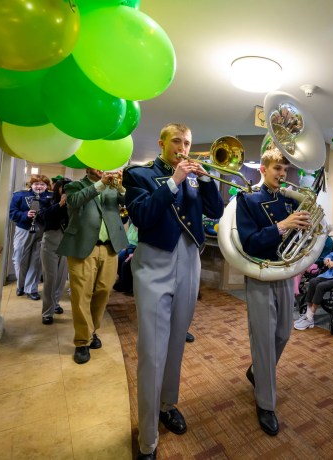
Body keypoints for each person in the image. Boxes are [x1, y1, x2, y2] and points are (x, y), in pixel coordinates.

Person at [123, 123, 224, 460]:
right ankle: (147, 438)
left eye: (188, 142)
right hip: (155, 262)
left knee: (177, 341)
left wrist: (206, 177)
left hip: (189, 261)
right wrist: (174, 180)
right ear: (162, 142)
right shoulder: (140, 175)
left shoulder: (196, 176)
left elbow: (216, 211)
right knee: (152, 351)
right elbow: (142, 215)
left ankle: (167, 405)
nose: (184, 147)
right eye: (178, 141)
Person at [236, 149, 311, 436]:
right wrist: (282, 226)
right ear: (262, 169)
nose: (282, 174)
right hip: (260, 272)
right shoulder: (248, 199)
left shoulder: (287, 200)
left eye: (285, 170)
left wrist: (303, 230)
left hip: (284, 271)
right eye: (277, 168)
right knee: (265, 339)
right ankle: (265, 403)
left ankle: (256, 372)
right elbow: (250, 242)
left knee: (283, 333)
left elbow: (295, 236)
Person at [56, 168, 128, 364]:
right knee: (81, 295)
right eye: (97, 163)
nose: (101, 167)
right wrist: (101, 184)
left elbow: (128, 202)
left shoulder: (114, 187)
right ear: (88, 167)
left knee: (104, 291)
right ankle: (81, 341)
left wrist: (121, 187)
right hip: (82, 247)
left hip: (110, 247)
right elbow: (73, 201)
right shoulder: (75, 186)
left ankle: (92, 331)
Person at [9, 174, 52, 300]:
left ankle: (31, 289)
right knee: (20, 258)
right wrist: (25, 214)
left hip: (42, 231)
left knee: (37, 261)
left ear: (46, 186)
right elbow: (12, 213)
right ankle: (20, 285)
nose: (39, 186)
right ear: (31, 184)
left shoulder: (51, 197)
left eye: (42, 184)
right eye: (36, 184)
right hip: (23, 230)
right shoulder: (19, 195)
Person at [40, 178, 71, 325]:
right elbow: (44, 216)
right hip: (51, 239)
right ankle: (47, 312)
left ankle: (56, 303)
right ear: (57, 188)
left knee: (61, 277)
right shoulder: (47, 200)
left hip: (66, 241)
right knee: (50, 277)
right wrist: (60, 204)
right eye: (63, 188)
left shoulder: (72, 203)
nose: (66, 191)